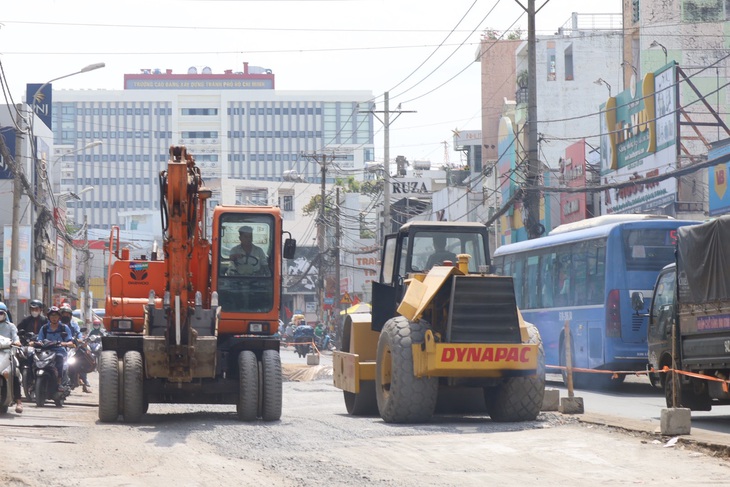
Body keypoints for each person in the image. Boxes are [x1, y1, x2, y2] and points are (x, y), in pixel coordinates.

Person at [35, 306, 74, 393]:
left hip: (59, 352)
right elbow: (39, 339)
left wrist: (64, 343)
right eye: (52, 316)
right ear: (48, 317)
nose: (54, 318)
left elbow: (70, 342)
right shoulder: (44, 328)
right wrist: (36, 343)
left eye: (56, 316)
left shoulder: (64, 328)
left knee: (59, 358)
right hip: (46, 352)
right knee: (33, 358)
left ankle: (59, 383)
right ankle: (32, 382)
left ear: (59, 317)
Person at [59, 303, 90, 393]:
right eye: (63, 314)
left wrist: (80, 340)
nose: (65, 316)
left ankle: (84, 382)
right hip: (59, 346)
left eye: (67, 314)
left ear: (70, 315)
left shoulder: (74, 324)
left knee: (82, 359)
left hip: (73, 347)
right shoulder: (56, 324)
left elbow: (79, 335)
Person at [0, 302, 23, 413]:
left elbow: (15, 338)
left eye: (0, 313)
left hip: (7, 354)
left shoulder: (11, 326)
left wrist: (17, 342)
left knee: (15, 372)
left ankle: (19, 401)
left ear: (5, 314)